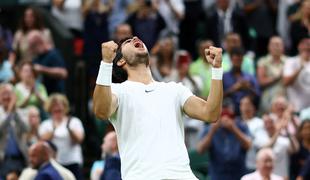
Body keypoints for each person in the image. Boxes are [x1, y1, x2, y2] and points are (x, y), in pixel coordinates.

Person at [93, 36, 223, 179]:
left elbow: (210, 113)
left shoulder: (174, 89)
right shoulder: (118, 91)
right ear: (121, 60)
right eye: (128, 41)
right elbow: (101, 111)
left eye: (136, 38)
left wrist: (217, 69)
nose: (135, 38)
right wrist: (106, 63)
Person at [197, 100, 251, 180]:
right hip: (217, 175)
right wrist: (212, 131)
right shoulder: (210, 127)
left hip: (239, 174)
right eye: (222, 114)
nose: (225, 118)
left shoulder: (241, 125)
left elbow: (248, 145)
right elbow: (200, 150)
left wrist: (234, 129)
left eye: (228, 115)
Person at [39, 94, 84, 180]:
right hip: (55, 163)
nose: (57, 108)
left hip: (73, 162)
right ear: (50, 108)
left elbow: (79, 139)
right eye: (54, 106)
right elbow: (42, 141)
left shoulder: (74, 121)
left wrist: (69, 129)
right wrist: (53, 129)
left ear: (65, 107)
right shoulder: (46, 124)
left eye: (60, 105)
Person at [0, 83, 29, 179]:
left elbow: (26, 129)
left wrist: (14, 111)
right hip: (3, 159)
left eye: (9, 94)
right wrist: (9, 112)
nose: (6, 97)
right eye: (3, 94)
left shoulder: (21, 112)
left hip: (20, 159)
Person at [257, 36, 286, 114]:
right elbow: (261, 82)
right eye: (274, 45)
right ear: (269, 47)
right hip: (268, 99)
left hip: (285, 97)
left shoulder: (288, 61)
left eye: (279, 45)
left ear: (283, 47)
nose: (276, 47)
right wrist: (278, 76)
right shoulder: (263, 61)